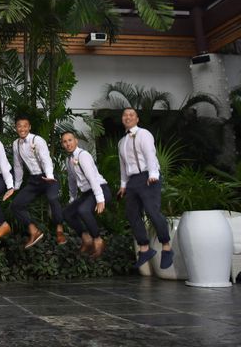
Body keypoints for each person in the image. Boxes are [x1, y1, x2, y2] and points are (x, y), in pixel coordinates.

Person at [117, 107, 173, 269]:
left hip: (148, 176)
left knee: (152, 211)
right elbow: (123, 165)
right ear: (122, 119)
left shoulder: (144, 134)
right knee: (131, 213)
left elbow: (150, 154)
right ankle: (144, 248)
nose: (128, 117)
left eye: (131, 115)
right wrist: (123, 185)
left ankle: (167, 247)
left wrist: (153, 174)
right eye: (125, 115)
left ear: (137, 119)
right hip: (133, 180)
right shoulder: (122, 142)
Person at [4, 115, 66, 248]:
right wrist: (16, 187)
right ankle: (34, 231)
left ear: (29, 127)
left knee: (53, 198)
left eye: (25, 126)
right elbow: (18, 166)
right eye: (19, 126)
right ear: (16, 128)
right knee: (16, 205)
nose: (22, 129)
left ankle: (60, 231)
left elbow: (46, 159)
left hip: (48, 177)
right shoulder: (16, 144)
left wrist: (49, 176)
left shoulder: (37, 140)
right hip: (34, 180)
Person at [61, 131, 111, 258]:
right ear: (62, 145)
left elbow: (92, 178)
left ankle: (98, 240)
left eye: (70, 140)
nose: (68, 144)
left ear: (76, 141)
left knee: (83, 210)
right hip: (87, 194)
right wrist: (72, 198)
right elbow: (71, 181)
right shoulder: (69, 160)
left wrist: (100, 199)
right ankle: (86, 238)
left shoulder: (83, 155)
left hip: (100, 189)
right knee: (67, 213)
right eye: (65, 141)